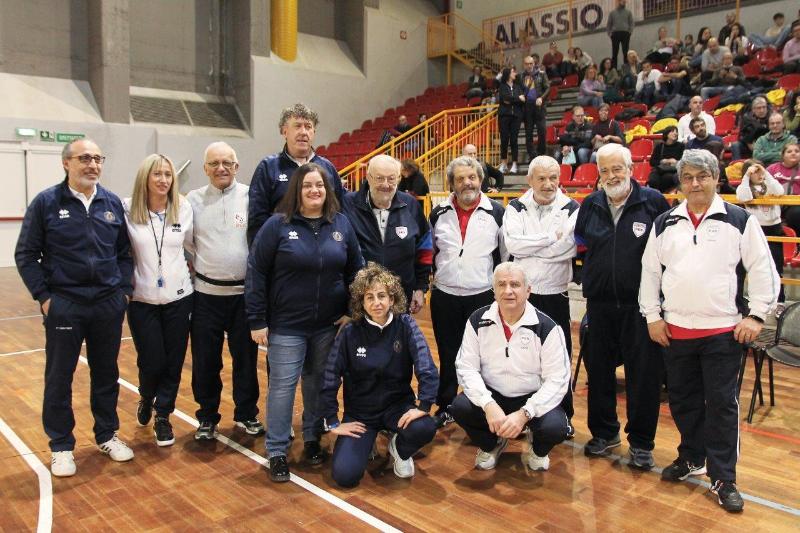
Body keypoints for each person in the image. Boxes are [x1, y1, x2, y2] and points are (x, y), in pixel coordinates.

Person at [640, 149, 779, 513]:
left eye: (702, 176)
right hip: (675, 331)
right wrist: (652, 316)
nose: (695, 183)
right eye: (688, 178)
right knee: (683, 402)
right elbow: (650, 273)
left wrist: (757, 317)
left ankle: (723, 476)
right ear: (681, 183)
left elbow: (764, 271)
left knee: (720, 405)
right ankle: (692, 457)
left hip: (723, 333)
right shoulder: (664, 222)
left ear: (716, 179)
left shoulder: (739, 220)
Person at [15, 138, 134, 476]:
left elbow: (124, 255)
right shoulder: (46, 203)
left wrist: (123, 293)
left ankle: (107, 434)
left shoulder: (111, 203)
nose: (92, 165)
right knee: (59, 376)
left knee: (107, 373)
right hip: (65, 305)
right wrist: (45, 297)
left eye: (98, 158)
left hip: (107, 305)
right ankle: (61, 445)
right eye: (84, 158)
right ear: (66, 163)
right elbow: (26, 254)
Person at [246, 163, 364, 482]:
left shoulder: (340, 223)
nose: (315, 190)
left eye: (320, 185)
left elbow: (357, 269)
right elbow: (256, 271)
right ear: (296, 190)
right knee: (283, 387)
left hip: (327, 325)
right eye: (308, 185)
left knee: (317, 384)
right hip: (286, 325)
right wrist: (257, 319)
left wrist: (354, 311)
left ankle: (313, 438)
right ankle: (277, 450)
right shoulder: (277, 225)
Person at [574, 143, 670, 469]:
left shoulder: (653, 202)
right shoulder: (590, 204)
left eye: (618, 168)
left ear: (631, 169)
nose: (612, 175)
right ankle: (604, 433)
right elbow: (581, 245)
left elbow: (668, 254)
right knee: (598, 374)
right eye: (605, 170)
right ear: (598, 174)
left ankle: (641, 443)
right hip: (599, 305)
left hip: (640, 307)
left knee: (643, 378)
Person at [320, 263, 439, 487]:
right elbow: (330, 376)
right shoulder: (350, 332)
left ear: (392, 299)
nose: (377, 303)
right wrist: (333, 421)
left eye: (382, 296)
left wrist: (423, 405)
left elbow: (426, 365)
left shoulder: (405, 325)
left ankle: (399, 449)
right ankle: (368, 440)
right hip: (361, 414)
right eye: (370, 297)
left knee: (425, 426)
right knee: (345, 476)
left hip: (397, 407)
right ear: (361, 302)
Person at [450, 262, 570, 472]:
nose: (508, 291)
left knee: (555, 427)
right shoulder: (477, 320)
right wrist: (487, 404)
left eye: (515, 284)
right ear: (493, 290)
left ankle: (538, 450)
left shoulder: (548, 328)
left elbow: (558, 380)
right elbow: (466, 367)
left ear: (528, 290)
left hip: (531, 396)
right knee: (460, 407)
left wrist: (525, 413)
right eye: (501, 284)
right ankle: (491, 444)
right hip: (493, 395)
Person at [187, 142, 263, 441]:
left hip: (244, 297)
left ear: (237, 166)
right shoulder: (192, 200)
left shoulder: (250, 197)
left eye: (227, 163)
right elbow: (188, 241)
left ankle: (246, 414)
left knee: (246, 360)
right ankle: (207, 417)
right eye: (214, 163)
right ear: (205, 168)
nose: (221, 168)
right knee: (206, 361)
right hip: (206, 296)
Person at [503, 155, 579, 435]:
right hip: (523, 298)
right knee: (523, 357)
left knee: (559, 358)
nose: (548, 184)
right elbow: (513, 244)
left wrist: (531, 246)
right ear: (530, 180)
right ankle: (523, 415)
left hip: (555, 294)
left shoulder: (571, 207)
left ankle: (564, 416)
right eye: (542, 178)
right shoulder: (515, 207)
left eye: (553, 178)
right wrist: (550, 239)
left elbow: (567, 249)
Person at [429, 156, 506, 428]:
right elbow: (432, 252)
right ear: (452, 183)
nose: (467, 183)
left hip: (482, 295)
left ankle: (483, 407)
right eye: (460, 179)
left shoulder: (497, 211)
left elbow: (504, 257)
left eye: (471, 177)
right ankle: (447, 404)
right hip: (445, 295)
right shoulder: (437, 212)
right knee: (448, 353)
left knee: (483, 356)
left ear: (480, 180)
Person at [123, 154, 193, 448]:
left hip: (179, 298)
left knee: (174, 362)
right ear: (145, 178)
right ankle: (146, 396)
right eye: (157, 174)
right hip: (142, 300)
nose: (164, 180)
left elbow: (192, 246)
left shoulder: (184, 208)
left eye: (168, 174)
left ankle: (163, 415)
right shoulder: (127, 209)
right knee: (152, 361)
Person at [341, 154, 432, 311]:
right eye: (379, 178)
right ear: (368, 178)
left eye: (391, 179)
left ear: (398, 179)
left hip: (399, 300)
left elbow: (424, 248)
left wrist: (420, 287)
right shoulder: (347, 205)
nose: (386, 184)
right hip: (358, 302)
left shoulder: (411, 205)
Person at [248, 103, 344, 244]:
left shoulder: (327, 168)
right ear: (284, 131)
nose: (303, 132)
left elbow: (338, 211)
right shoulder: (268, 167)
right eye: (297, 126)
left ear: (314, 133)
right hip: (283, 252)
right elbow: (257, 219)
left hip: (323, 249)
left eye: (308, 126)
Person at [736, 160, 786, 314]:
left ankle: (780, 301)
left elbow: (779, 191)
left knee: (776, 268)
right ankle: (742, 301)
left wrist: (766, 172)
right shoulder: (745, 187)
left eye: (760, 171)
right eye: (754, 172)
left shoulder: (769, 184)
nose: (759, 175)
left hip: (774, 229)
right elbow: (743, 196)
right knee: (745, 267)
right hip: (755, 230)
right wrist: (746, 176)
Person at [521, 54, 551, 162]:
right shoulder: (521, 76)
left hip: (539, 106)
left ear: (534, 64)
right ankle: (532, 156)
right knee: (528, 133)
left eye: (531, 63)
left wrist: (542, 98)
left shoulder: (541, 74)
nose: (529, 66)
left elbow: (548, 88)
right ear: (524, 65)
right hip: (527, 107)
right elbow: (519, 90)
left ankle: (541, 153)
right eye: (527, 64)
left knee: (542, 131)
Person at [497, 67, 525, 174]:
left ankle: (514, 164)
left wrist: (514, 99)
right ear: (508, 74)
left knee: (514, 140)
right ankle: (504, 164)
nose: (515, 73)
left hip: (516, 116)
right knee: (504, 140)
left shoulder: (518, 86)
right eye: (513, 72)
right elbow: (505, 98)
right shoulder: (502, 86)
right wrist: (518, 99)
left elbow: (523, 100)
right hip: (504, 116)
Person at [767, 143, 800, 234]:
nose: (793, 153)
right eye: (789, 151)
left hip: (796, 204)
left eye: (797, 151)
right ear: (782, 155)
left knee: (796, 213)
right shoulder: (772, 168)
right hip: (775, 203)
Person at [731, 96, 771, 160]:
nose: (762, 110)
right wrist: (750, 145)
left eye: (764, 107)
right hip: (749, 144)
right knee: (735, 145)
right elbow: (743, 136)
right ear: (753, 110)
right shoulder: (747, 118)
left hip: (767, 144)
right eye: (759, 108)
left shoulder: (771, 117)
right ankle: (736, 165)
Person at [648, 126, 685, 193]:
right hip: (660, 170)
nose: (675, 133)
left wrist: (675, 161)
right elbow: (652, 162)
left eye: (676, 132)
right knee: (652, 179)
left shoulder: (681, 146)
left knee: (667, 178)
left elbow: (684, 161)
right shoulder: (659, 146)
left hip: (673, 170)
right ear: (666, 134)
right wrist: (662, 161)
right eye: (672, 131)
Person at [607, 0, 634, 69]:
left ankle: (626, 68)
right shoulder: (612, 13)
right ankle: (614, 69)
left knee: (626, 52)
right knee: (614, 53)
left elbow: (631, 23)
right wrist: (609, 33)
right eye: (622, 1)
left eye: (625, 2)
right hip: (615, 34)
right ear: (618, 2)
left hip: (625, 33)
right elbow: (609, 24)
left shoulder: (628, 12)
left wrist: (630, 32)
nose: (624, 3)